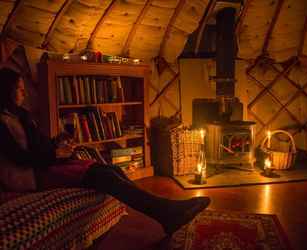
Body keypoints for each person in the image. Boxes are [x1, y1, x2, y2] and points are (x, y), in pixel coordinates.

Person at [0, 67, 210, 236]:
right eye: (19, 89)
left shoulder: (22, 116)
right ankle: (167, 212)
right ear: (5, 90)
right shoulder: (2, 122)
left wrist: (59, 144)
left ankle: (166, 214)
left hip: (49, 163)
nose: (24, 93)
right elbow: (19, 157)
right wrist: (55, 154)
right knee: (103, 176)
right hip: (34, 175)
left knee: (112, 170)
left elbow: (40, 144)